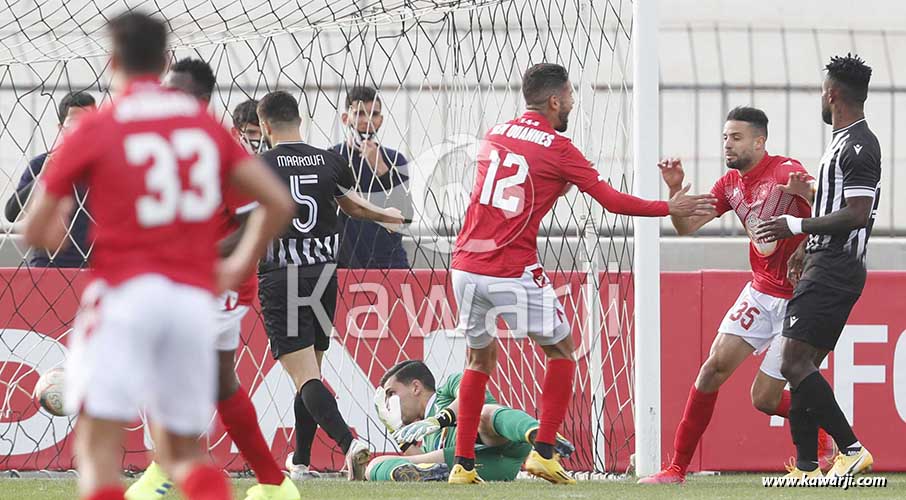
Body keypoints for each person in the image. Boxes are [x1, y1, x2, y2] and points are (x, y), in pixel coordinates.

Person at [23, 11, 294, 500]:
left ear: (112, 61)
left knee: (98, 444)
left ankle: (267, 482)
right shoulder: (205, 129)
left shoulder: (99, 125)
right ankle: (224, 481)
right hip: (191, 300)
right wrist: (234, 266)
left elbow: (39, 232)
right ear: (162, 61)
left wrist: (63, 226)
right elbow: (277, 202)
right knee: (184, 451)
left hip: (125, 293)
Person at [448, 62, 716, 484]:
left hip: (464, 265)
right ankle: (544, 453)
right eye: (571, 95)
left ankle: (463, 466)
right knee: (562, 350)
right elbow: (611, 201)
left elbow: (513, 187)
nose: (573, 102)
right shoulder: (559, 149)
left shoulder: (495, 133)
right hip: (509, 269)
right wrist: (669, 207)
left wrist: (554, 184)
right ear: (555, 100)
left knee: (478, 358)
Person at [125, 61, 299, 500]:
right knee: (220, 382)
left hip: (219, 284)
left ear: (201, 102)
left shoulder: (222, 153)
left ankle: (167, 469)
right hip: (188, 281)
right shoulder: (171, 146)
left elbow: (256, 223)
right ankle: (275, 484)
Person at [637, 106, 837, 484]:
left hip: (799, 299)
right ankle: (676, 468)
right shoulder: (729, 184)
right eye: (725, 137)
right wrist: (676, 192)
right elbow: (686, 227)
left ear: (760, 142)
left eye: (737, 137)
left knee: (763, 399)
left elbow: (830, 204)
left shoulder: (784, 171)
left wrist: (805, 224)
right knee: (712, 369)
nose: (728, 144)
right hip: (760, 292)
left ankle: (827, 431)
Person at [254, 90, 406, 480]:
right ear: (300, 121)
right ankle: (302, 461)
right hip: (323, 276)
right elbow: (352, 205)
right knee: (311, 374)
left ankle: (350, 443)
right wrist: (385, 214)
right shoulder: (329, 160)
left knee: (305, 377)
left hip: (283, 277)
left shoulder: (258, 166)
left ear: (266, 125)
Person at [756, 53, 880, 480]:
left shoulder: (860, 146)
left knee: (793, 361)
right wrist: (806, 246)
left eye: (821, 91)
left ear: (831, 94)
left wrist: (797, 225)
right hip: (825, 260)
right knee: (802, 364)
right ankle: (808, 466)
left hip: (836, 267)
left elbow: (858, 213)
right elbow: (836, 205)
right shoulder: (843, 141)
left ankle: (852, 449)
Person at [366, 360, 574, 482]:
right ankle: (432, 476)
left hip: (501, 441)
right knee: (374, 464)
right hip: (477, 465)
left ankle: (542, 435)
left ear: (415, 387)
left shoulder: (446, 391)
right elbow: (422, 458)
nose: (389, 404)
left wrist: (440, 420)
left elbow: (473, 394)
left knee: (482, 414)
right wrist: (397, 432)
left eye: (391, 393)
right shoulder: (428, 437)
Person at [6, 90, 96, 267]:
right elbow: (12, 214)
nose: (82, 130)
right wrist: (44, 176)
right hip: (48, 265)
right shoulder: (41, 164)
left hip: (95, 267)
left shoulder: (105, 166)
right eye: (75, 124)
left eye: (89, 123)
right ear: (61, 128)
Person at [330, 86, 411, 269]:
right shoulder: (333, 157)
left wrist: (381, 168)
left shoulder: (395, 159)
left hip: (390, 263)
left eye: (373, 114)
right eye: (359, 114)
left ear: (381, 120)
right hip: (345, 264)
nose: (367, 121)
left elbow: (405, 217)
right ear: (346, 118)